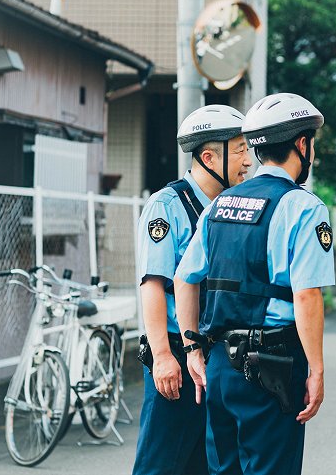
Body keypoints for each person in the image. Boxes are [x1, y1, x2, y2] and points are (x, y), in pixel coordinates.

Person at [174, 93, 335, 475]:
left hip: (219, 366)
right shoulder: (304, 206)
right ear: (302, 144)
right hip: (273, 365)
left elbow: (184, 277)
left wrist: (192, 348)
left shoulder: (220, 204)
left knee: (224, 468)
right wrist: (316, 369)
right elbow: (307, 294)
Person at [133, 105, 252, 475]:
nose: (248, 161)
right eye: (240, 150)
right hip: (175, 354)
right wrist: (164, 356)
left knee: (205, 464)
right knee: (161, 462)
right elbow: (153, 285)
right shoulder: (167, 205)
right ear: (208, 156)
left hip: (217, 359)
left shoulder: (231, 208)